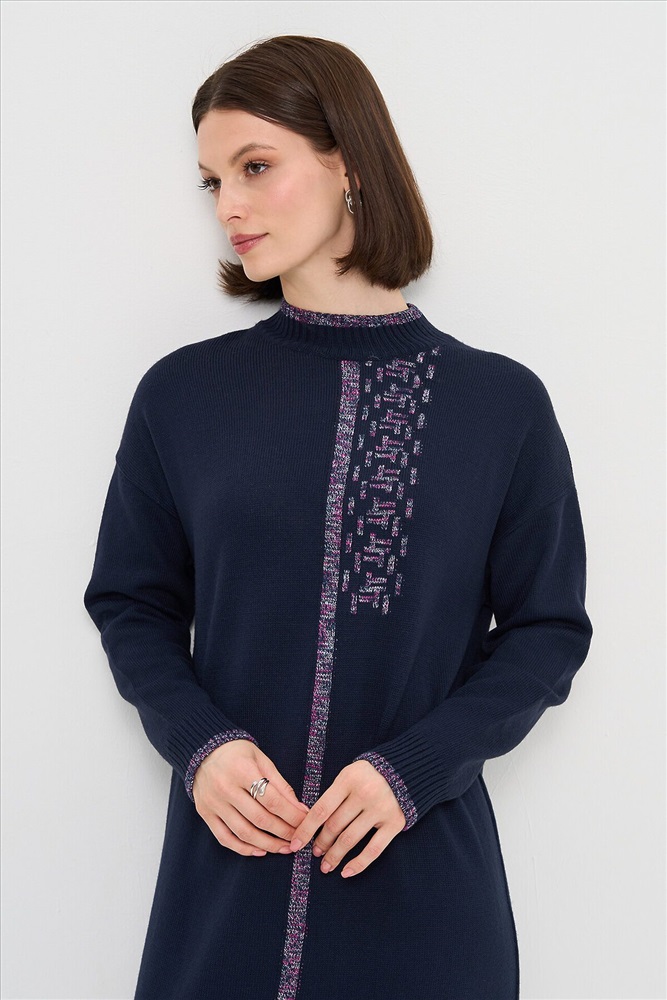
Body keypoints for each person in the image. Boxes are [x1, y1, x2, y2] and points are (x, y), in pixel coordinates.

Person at [83, 34, 593, 1000]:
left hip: (422, 883)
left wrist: (416, 767)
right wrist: (199, 743)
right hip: (226, 878)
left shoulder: (500, 406)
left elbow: (547, 630)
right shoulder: (183, 396)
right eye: (212, 182)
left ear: (349, 162)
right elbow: (131, 603)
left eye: (255, 167)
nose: (228, 206)